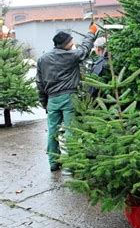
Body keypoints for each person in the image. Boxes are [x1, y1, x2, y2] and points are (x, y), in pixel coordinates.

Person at [36, 23, 98, 171]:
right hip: (69, 97)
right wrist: (91, 32)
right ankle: (72, 162)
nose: (73, 43)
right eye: (71, 42)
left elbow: (39, 83)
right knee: (71, 130)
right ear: (65, 44)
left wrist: (44, 103)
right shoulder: (70, 56)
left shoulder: (42, 59)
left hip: (52, 99)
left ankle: (53, 162)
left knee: (52, 131)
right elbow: (85, 49)